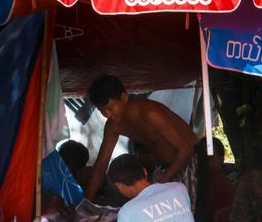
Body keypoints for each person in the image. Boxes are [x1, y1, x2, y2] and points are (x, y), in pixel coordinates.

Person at [83, 75, 202, 209]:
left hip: (191, 163)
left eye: (110, 108)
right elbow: (100, 166)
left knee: (185, 214)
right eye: (102, 111)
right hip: (163, 170)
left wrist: (159, 185)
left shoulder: (152, 114)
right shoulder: (113, 125)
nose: (108, 114)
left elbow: (186, 150)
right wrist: (86, 204)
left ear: (124, 97)